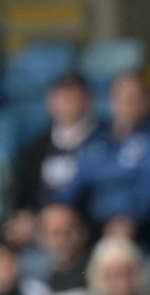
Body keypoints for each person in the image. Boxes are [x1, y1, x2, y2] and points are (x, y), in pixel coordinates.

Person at [62, 71, 150, 243]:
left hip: (144, 228)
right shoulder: (97, 138)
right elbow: (75, 185)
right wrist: (58, 209)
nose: (127, 102)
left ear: (148, 100)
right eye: (121, 96)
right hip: (95, 226)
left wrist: (131, 217)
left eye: (134, 97)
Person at [10, 71, 101, 239]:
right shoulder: (37, 146)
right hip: (40, 224)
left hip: (87, 226)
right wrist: (25, 214)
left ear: (87, 100)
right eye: (60, 97)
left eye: (71, 97)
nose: (65, 104)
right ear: (49, 102)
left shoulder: (104, 141)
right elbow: (24, 190)